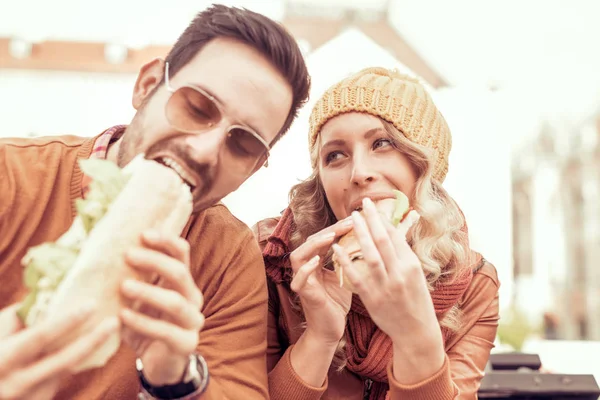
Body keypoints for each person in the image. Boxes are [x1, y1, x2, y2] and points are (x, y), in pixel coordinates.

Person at [0, 4, 309, 400]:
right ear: (146, 86)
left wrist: (177, 378)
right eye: (197, 107)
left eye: (242, 143)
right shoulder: (13, 176)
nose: (204, 150)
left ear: (253, 168)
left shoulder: (227, 255)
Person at [253, 67, 500, 399]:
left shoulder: (474, 284)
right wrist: (319, 338)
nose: (359, 173)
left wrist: (415, 333)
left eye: (382, 143)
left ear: (424, 167)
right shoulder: (272, 257)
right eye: (335, 155)